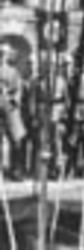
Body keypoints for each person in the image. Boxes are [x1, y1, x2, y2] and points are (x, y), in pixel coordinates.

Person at [0, 44, 26, 180]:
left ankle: (16, 170)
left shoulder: (13, 72)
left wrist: (13, 101)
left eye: (3, 54)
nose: (1, 56)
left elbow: (18, 90)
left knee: (16, 140)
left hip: (10, 108)